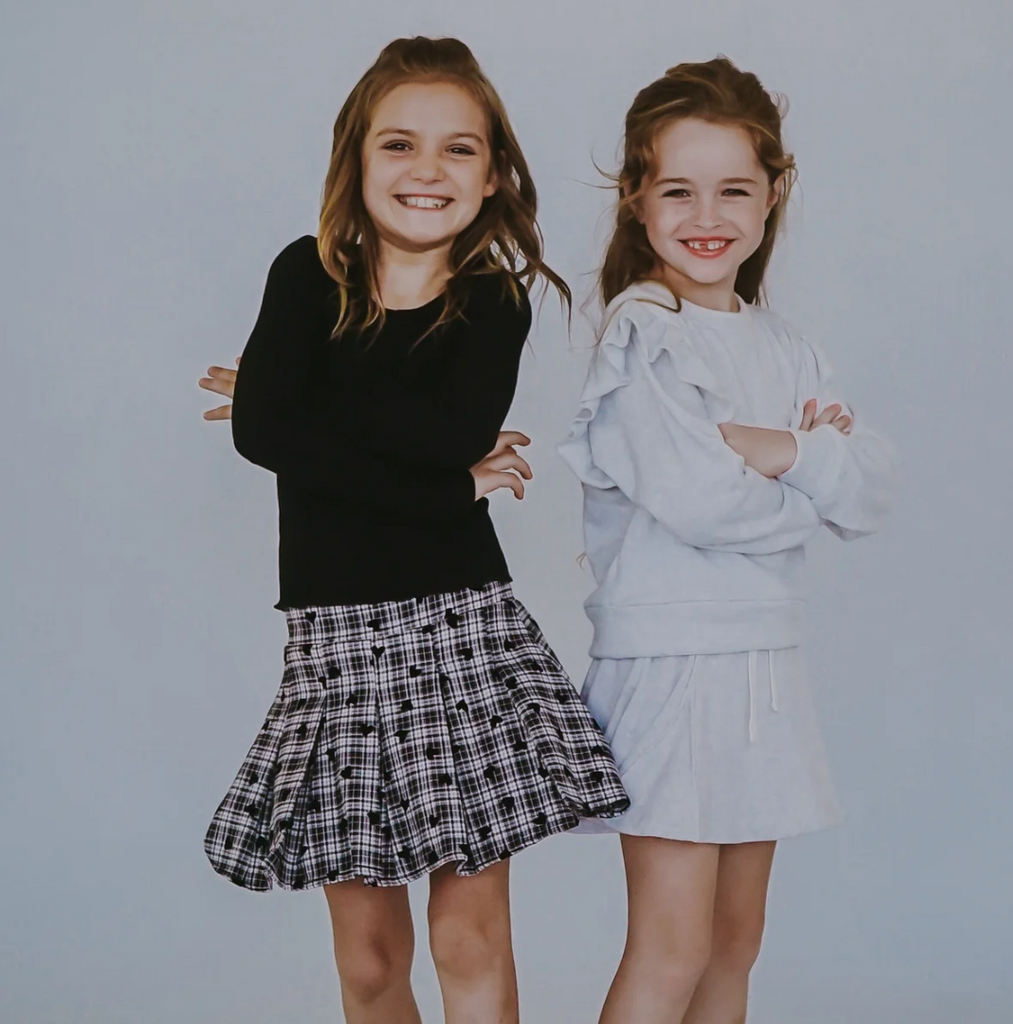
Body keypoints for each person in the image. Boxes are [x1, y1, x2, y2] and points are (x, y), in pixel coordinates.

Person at [200, 36, 628, 1024]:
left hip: (460, 633)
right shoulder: (305, 274)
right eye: (399, 144)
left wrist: (302, 402)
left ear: (494, 174)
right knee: (369, 960)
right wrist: (440, 485)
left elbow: (438, 433)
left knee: (467, 938)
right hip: (335, 649)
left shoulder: (492, 299)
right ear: (355, 159)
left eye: (457, 149)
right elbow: (268, 434)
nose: (426, 169)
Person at [558, 57, 899, 1024]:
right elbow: (702, 503)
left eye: (734, 190)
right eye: (678, 190)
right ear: (636, 200)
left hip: (763, 663)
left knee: (734, 944)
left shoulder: (785, 344)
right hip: (674, 666)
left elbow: (872, 489)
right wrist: (811, 484)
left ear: (773, 192)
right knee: (672, 948)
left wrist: (782, 450)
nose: (706, 216)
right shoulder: (644, 335)